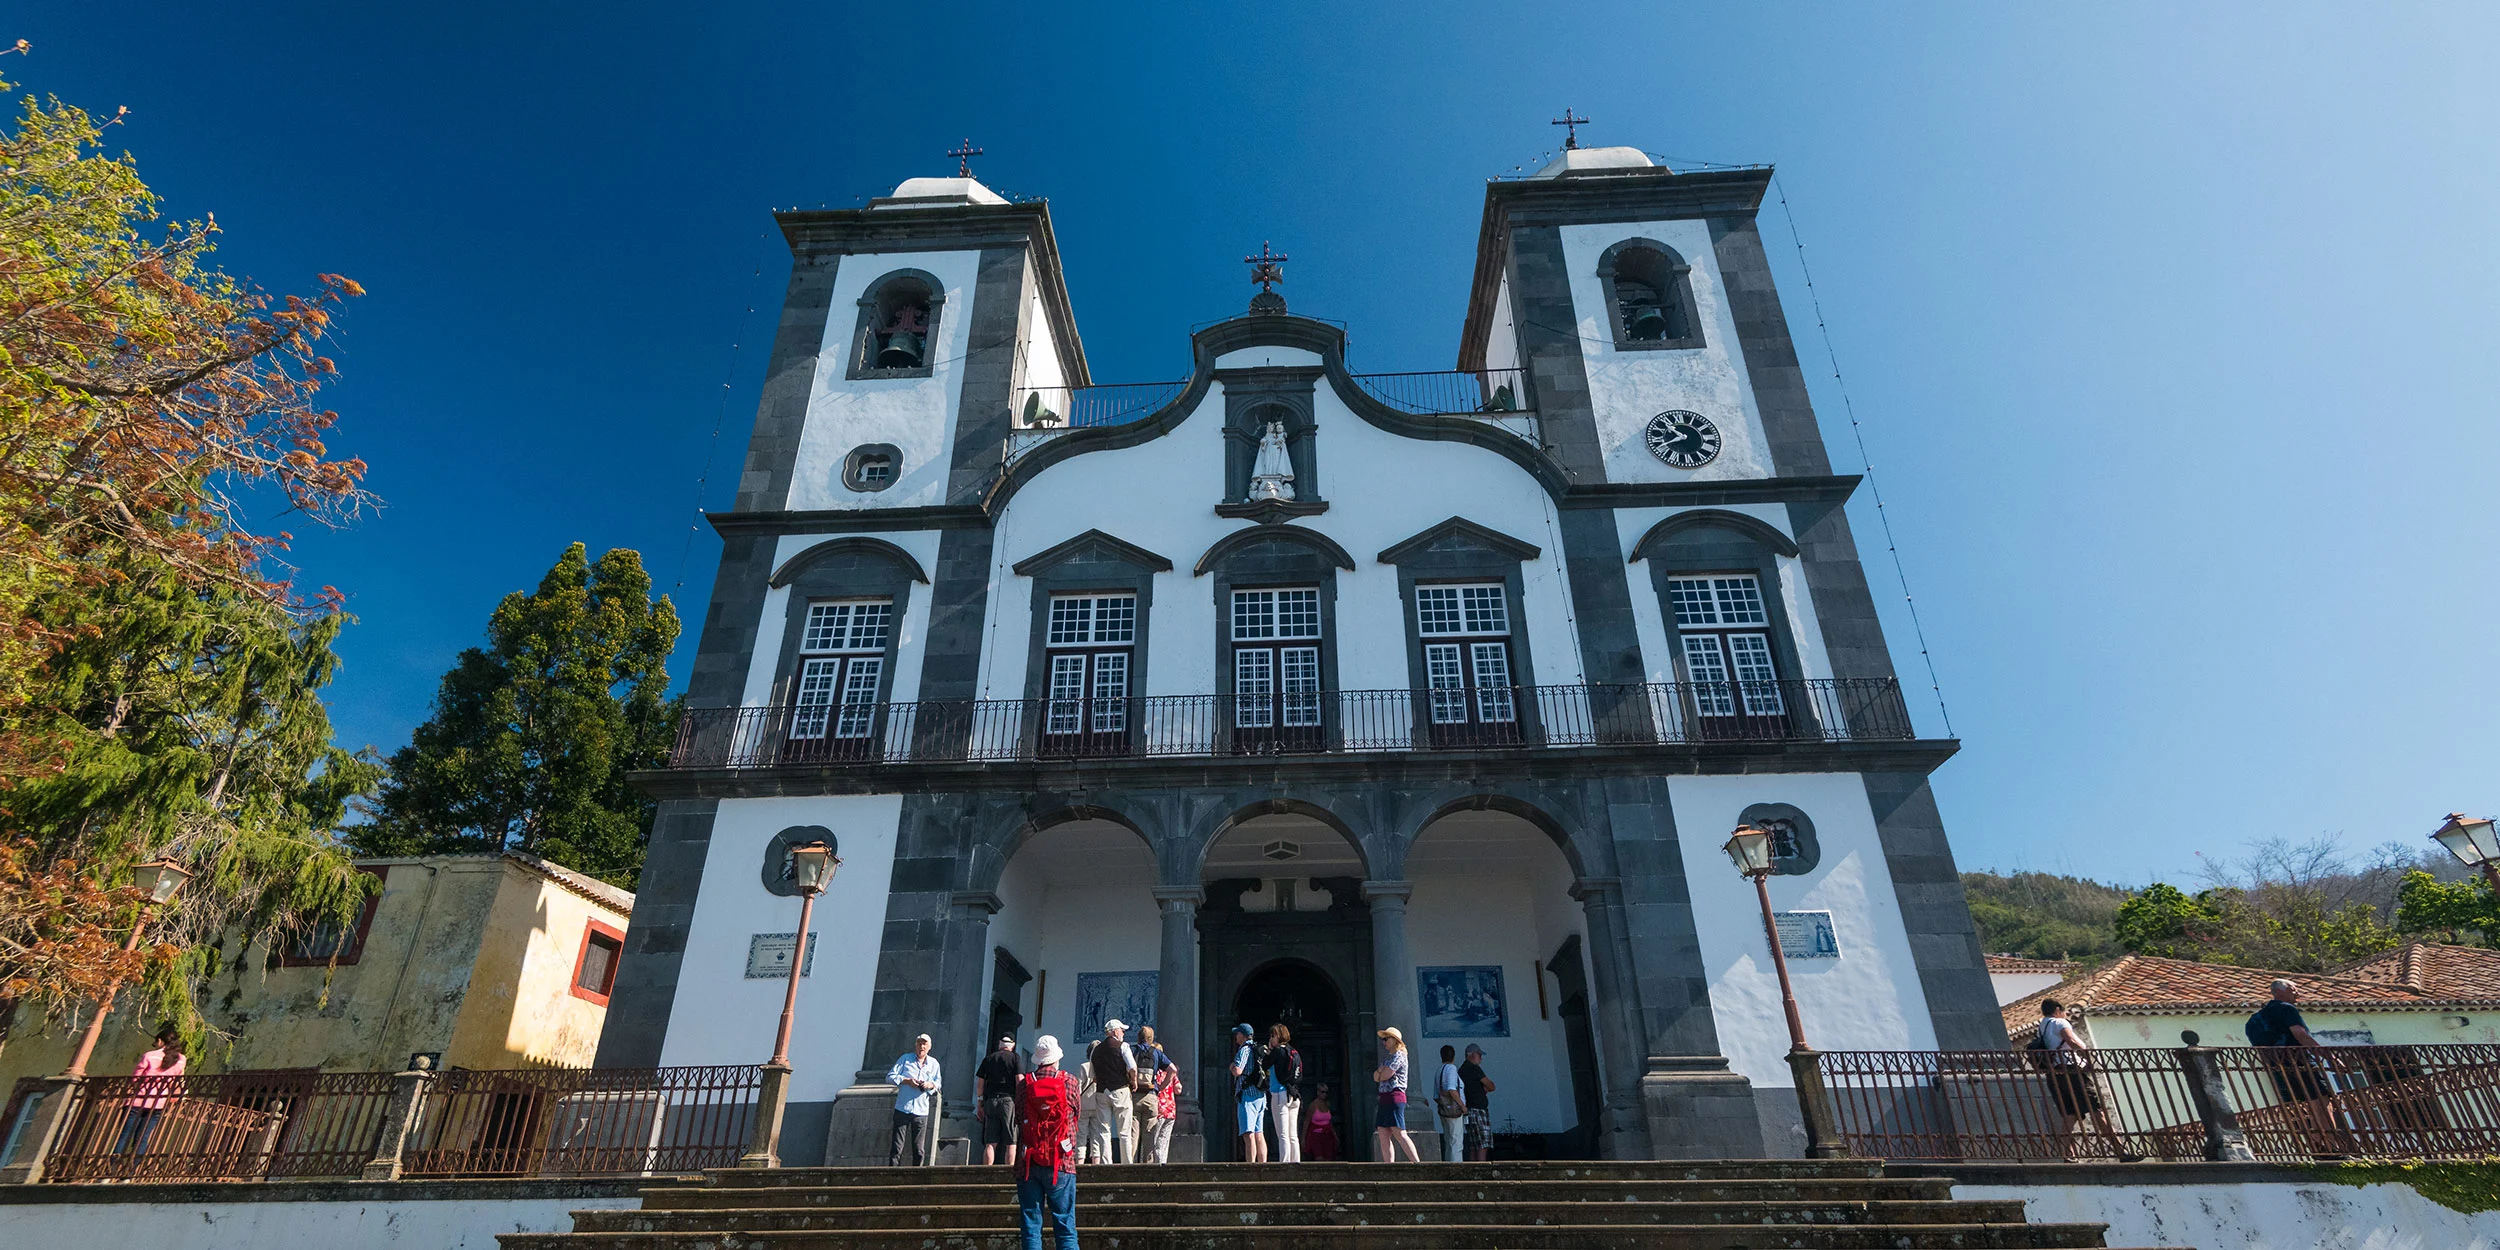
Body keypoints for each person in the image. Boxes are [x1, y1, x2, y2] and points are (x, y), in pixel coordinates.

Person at [2248, 978, 2345, 1157]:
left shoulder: (2255, 1020)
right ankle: (2332, 1147)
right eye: (2293, 989)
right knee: (2323, 1102)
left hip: (2279, 1068)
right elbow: (2300, 1035)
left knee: (2307, 1106)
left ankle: (2317, 1147)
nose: (2297, 992)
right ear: (2278, 992)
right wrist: (2328, 1057)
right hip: (2301, 1063)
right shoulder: (2287, 1009)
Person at [2036, 999, 2137, 1161]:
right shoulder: (2059, 1021)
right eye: (2065, 1011)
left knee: (2071, 1114)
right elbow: (2071, 1040)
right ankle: (2121, 1152)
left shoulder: (2042, 1027)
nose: (2066, 1014)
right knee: (2097, 1111)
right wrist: (2088, 1056)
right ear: (2057, 1009)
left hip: (2055, 1074)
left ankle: (2066, 1154)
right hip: (2072, 1072)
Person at [1015, 1035, 1081, 1250]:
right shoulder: (1069, 1081)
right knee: (1065, 1223)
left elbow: (1018, 1117)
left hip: (1029, 1160)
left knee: (1031, 1224)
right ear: (1057, 1058)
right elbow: (1076, 1114)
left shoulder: (1025, 1084)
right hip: (1061, 1161)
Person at [115, 1026, 187, 1164]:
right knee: (142, 1138)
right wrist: (174, 1098)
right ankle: (130, 1173)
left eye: (155, 1043)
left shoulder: (149, 1056)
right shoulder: (181, 1060)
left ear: (160, 1041)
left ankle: (110, 1170)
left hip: (138, 1100)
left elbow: (136, 1078)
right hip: (158, 1103)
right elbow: (178, 1081)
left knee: (125, 1136)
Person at [1087, 1019, 1138, 1164]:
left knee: (1104, 1130)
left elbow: (1093, 1076)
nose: (1123, 1033)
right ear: (1116, 1031)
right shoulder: (1123, 1046)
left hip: (1102, 1092)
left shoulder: (1095, 1050)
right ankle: (1127, 1163)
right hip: (1120, 1090)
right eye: (1122, 1030)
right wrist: (1133, 1082)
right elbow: (1132, 1068)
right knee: (1124, 1131)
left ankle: (1106, 1163)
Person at [887, 1032, 942, 1166]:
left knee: (919, 1149)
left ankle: (917, 1176)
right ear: (915, 1045)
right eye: (919, 1043)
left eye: (925, 1044)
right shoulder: (905, 1059)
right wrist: (906, 1081)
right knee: (897, 1147)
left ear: (930, 1047)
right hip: (902, 1108)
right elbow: (890, 1077)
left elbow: (938, 1083)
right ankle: (891, 1175)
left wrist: (930, 1085)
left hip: (921, 1110)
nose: (922, 1046)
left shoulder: (934, 1064)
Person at [1371, 1026, 1420, 1162]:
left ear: (1394, 1040)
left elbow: (1385, 1075)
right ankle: (1389, 1166)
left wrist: (1381, 1072)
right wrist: (1381, 1073)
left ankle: (1417, 1163)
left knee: (1398, 1131)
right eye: (1383, 1039)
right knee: (1383, 1132)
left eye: (1386, 1039)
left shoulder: (1399, 1055)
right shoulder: (1389, 1057)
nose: (1384, 1042)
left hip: (1394, 1096)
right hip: (1384, 1098)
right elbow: (1375, 1077)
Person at [1134, 1025, 1181, 1164]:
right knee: (1161, 1141)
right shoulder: (1167, 1071)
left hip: (1156, 1106)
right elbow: (1178, 1088)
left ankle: (1136, 1164)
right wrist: (1163, 1087)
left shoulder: (1135, 1052)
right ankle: (1159, 1166)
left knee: (1141, 1137)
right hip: (1169, 1110)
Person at [977, 1035, 1025, 1166]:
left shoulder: (989, 1058)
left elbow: (980, 1083)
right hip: (1008, 1100)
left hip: (991, 1101)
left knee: (990, 1141)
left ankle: (987, 1171)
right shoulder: (1015, 1058)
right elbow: (1019, 1080)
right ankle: (1008, 1172)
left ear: (1000, 1045)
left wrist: (980, 1102)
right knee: (1011, 1141)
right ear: (1012, 1045)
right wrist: (1022, 1100)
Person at [1229, 1022, 1268, 1162]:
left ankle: (1250, 1166)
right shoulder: (1257, 1049)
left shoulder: (1244, 1049)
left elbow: (1238, 1071)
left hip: (1248, 1095)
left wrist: (1232, 1067)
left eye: (1237, 1034)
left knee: (1248, 1134)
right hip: (1260, 1096)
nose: (1236, 1037)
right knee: (1259, 1133)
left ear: (1242, 1035)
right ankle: (1263, 1165)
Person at [1266, 1023, 1303, 1163]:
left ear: (1279, 1036)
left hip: (1280, 1093)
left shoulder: (1277, 1051)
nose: (1271, 1038)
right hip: (1294, 1095)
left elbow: (1265, 1064)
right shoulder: (1294, 1052)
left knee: (1282, 1134)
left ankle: (1285, 1164)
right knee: (1293, 1134)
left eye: (1273, 1035)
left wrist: (1269, 1050)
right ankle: (1296, 1162)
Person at [1457, 1044, 1496, 1161]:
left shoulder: (1462, 1070)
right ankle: (1482, 1169)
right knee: (1483, 1144)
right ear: (1473, 1055)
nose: (1481, 1059)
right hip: (1479, 1110)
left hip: (1469, 1110)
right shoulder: (1474, 1068)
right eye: (1479, 1055)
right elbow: (1491, 1086)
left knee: (1473, 1144)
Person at [1433, 1044, 1466, 1162]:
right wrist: (1462, 1105)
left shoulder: (1439, 1071)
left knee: (1448, 1140)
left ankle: (1448, 1164)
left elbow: (1436, 1095)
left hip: (1443, 1109)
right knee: (1456, 1141)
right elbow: (1452, 1089)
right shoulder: (1451, 1069)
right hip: (1454, 1109)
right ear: (1453, 1056)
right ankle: (1456, 1167)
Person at [1303, 1090, 1340, 1160]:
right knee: (1319, 1158)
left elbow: (1330, 1122)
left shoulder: (1327, 1104)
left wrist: (1335, 1136)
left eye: (1326, 1092)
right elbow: (1306, 1122)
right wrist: (1303, 1139)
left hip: (1327, 1135)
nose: (1325, 1094)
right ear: (1318, 1092)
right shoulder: (1313, 1105)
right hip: (1316, 1135)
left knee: (1329, 1157)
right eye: (1323, 1092)